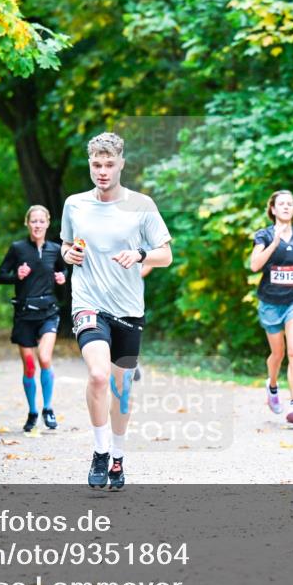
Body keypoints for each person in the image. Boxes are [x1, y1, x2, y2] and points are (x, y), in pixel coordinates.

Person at [60, 132, 172, 489]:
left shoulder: (142, 205)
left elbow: (165, 255)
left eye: (109, 164)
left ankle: (118, 457)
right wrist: (69, 255)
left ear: (122, 163)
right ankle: (100, 450)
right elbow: (65, 246)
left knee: (121, 389)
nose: (103, 171)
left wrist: (140, 255)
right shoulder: (74, 204)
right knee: (97, 376)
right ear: (89, 164)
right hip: (88, 303)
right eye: (96, 164)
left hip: (128, 308)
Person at [249, 190, 293, 425]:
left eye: (290, 203)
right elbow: (255, 265)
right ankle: (273, 384)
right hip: (270, 303)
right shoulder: (264, 236)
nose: (286, 207)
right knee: (277, 354)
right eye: (282, 204)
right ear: (273, 210)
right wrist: (275, 242)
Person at [0, 205, 68, 432]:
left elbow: (65, 271)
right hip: (25, 313)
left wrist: (62, 277)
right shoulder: (17, 249)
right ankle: (32, 411)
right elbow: (0, 275)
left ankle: (48, 408)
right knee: (29, 366)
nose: (37, 225)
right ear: (27, 223)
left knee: (44, 358)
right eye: (33, 221)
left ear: (47, 223)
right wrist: (16, 276)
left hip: (48, 311)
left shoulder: (56, 249)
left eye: (41, 221)